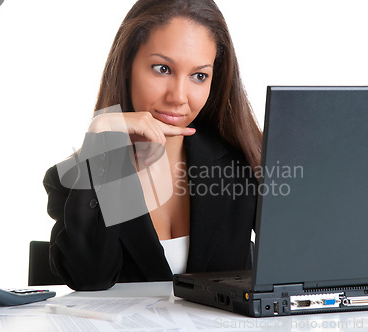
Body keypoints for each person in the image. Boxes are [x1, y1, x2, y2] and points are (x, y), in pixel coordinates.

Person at [43, 0, 263, 291]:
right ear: (127, 67)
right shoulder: (76, 176)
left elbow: (308, 257)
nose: (179, 96)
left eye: (199, 76)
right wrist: (102, 135)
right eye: (162, 69)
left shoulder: (245, 164)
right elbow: (91, 279)